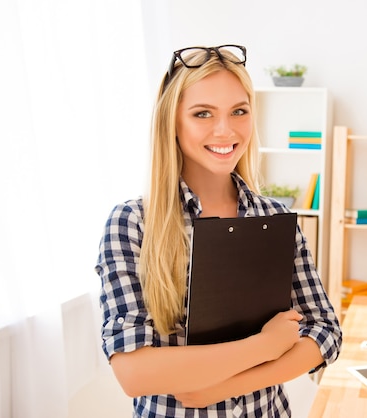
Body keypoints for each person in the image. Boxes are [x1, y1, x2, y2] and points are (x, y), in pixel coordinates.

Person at [94, 44, 342, 417]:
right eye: (202, 113)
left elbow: (325, 333)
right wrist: (266, 345)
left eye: (238, 111)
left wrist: (227, 385)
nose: (225, 130)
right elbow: (134, 372)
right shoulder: (132, 223)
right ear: (172, 121)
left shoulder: (274, 217)